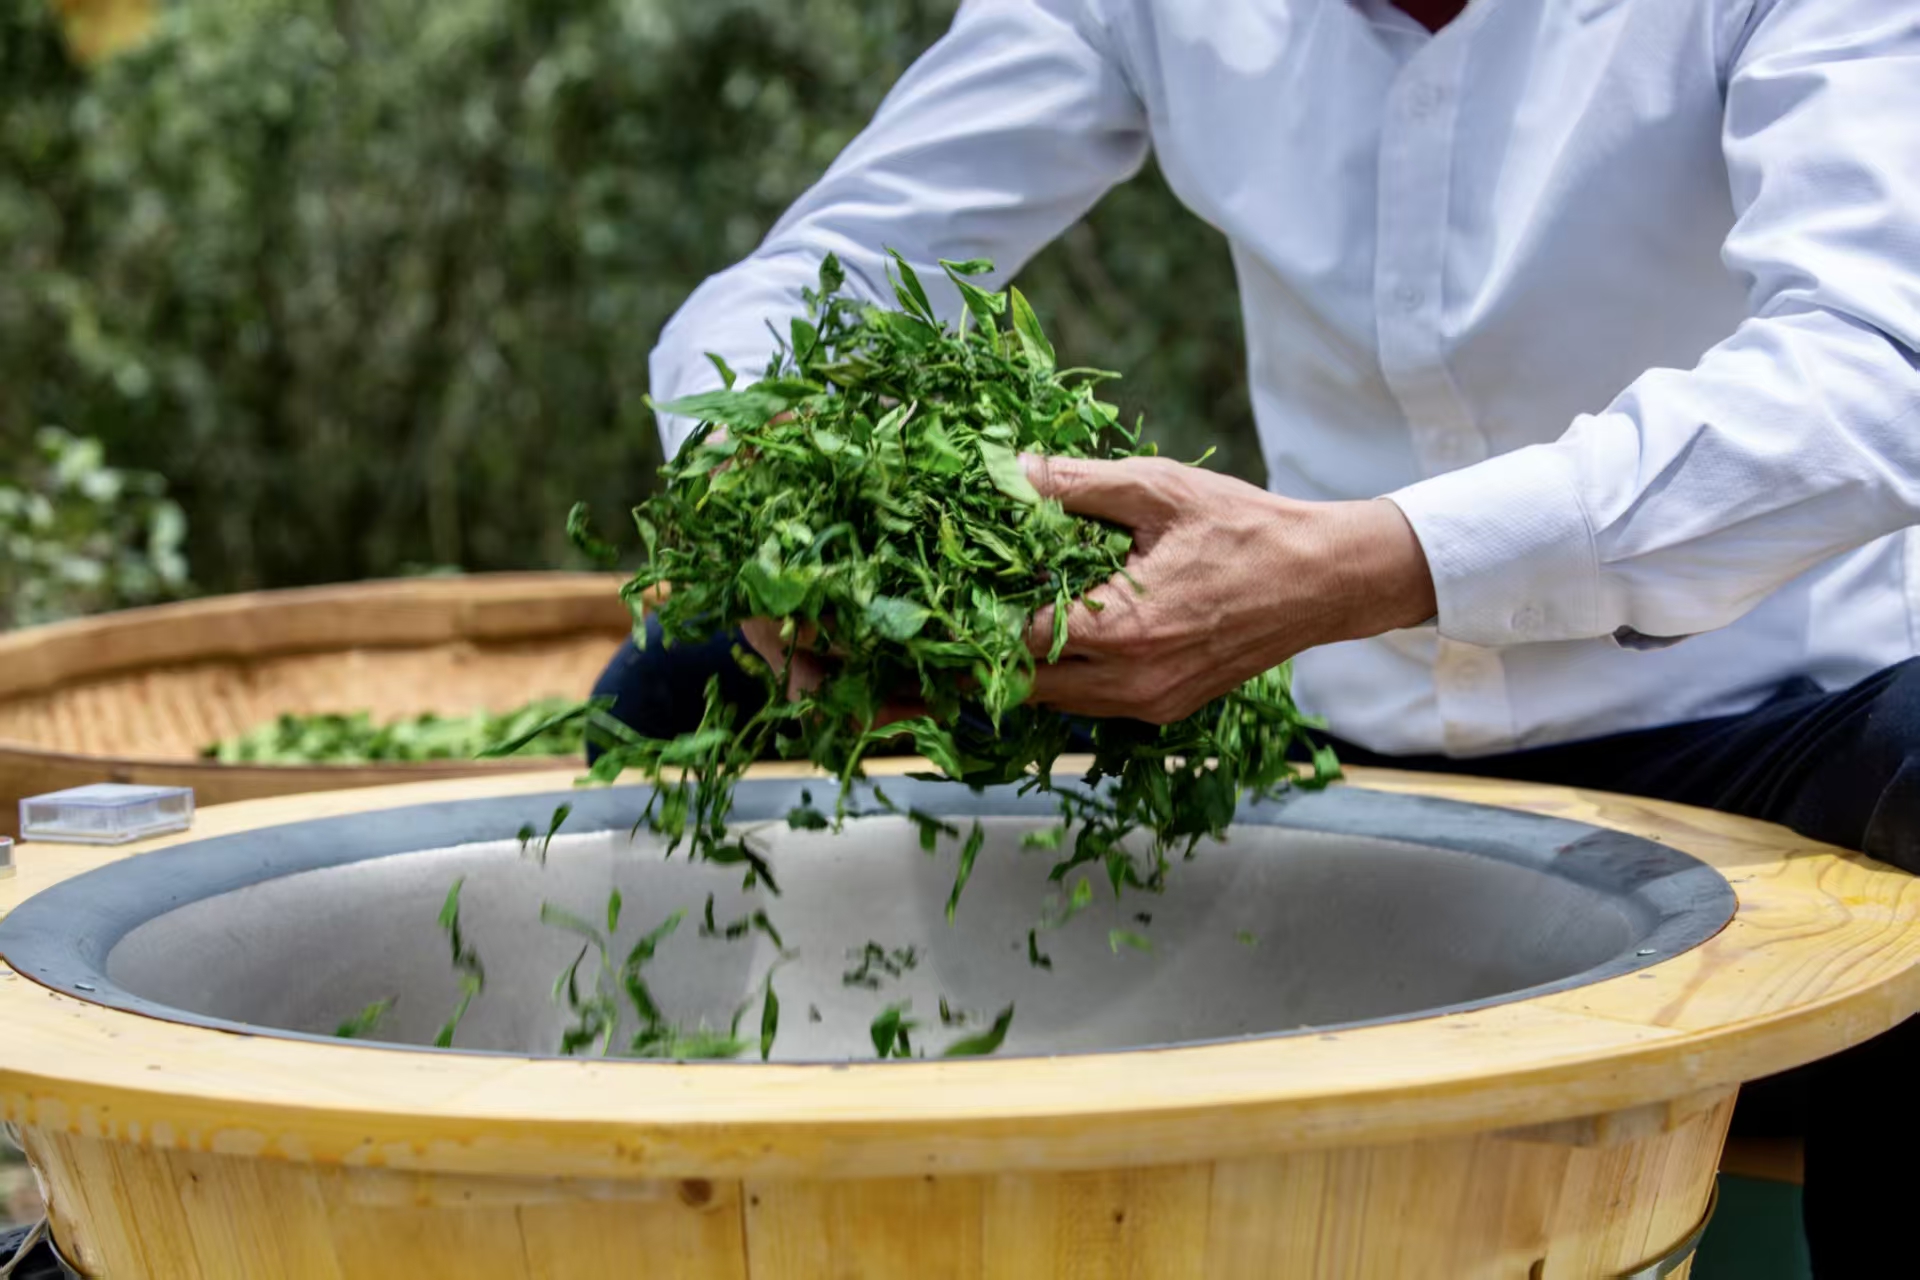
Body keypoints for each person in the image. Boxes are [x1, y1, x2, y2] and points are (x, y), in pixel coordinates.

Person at [595, 2, 1920, 1269]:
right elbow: (835, 269)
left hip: (1763, 727)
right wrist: (765, 496)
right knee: (686, 684)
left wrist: (1370, 563)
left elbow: (1871, 366)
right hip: (1310, 731)